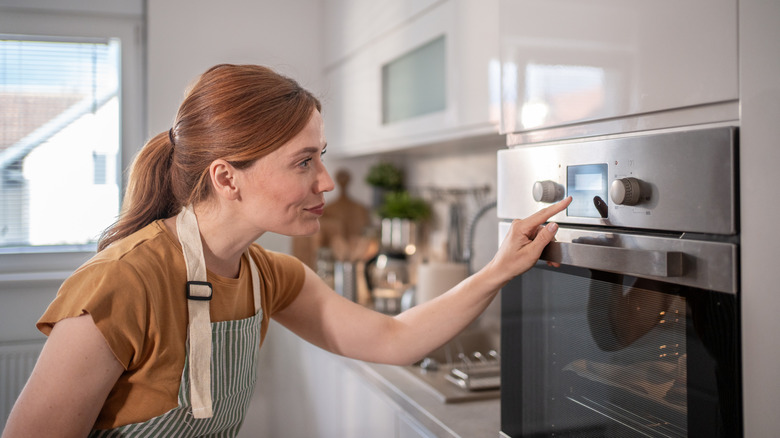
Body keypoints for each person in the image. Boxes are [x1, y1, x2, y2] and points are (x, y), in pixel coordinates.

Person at [2, 64, 572, 437]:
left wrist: (500, 269)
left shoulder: (264, 275)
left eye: (320, 155)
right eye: (304, 162)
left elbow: (393, 339)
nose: (326, 181)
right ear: (227, 178)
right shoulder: (121, 283)